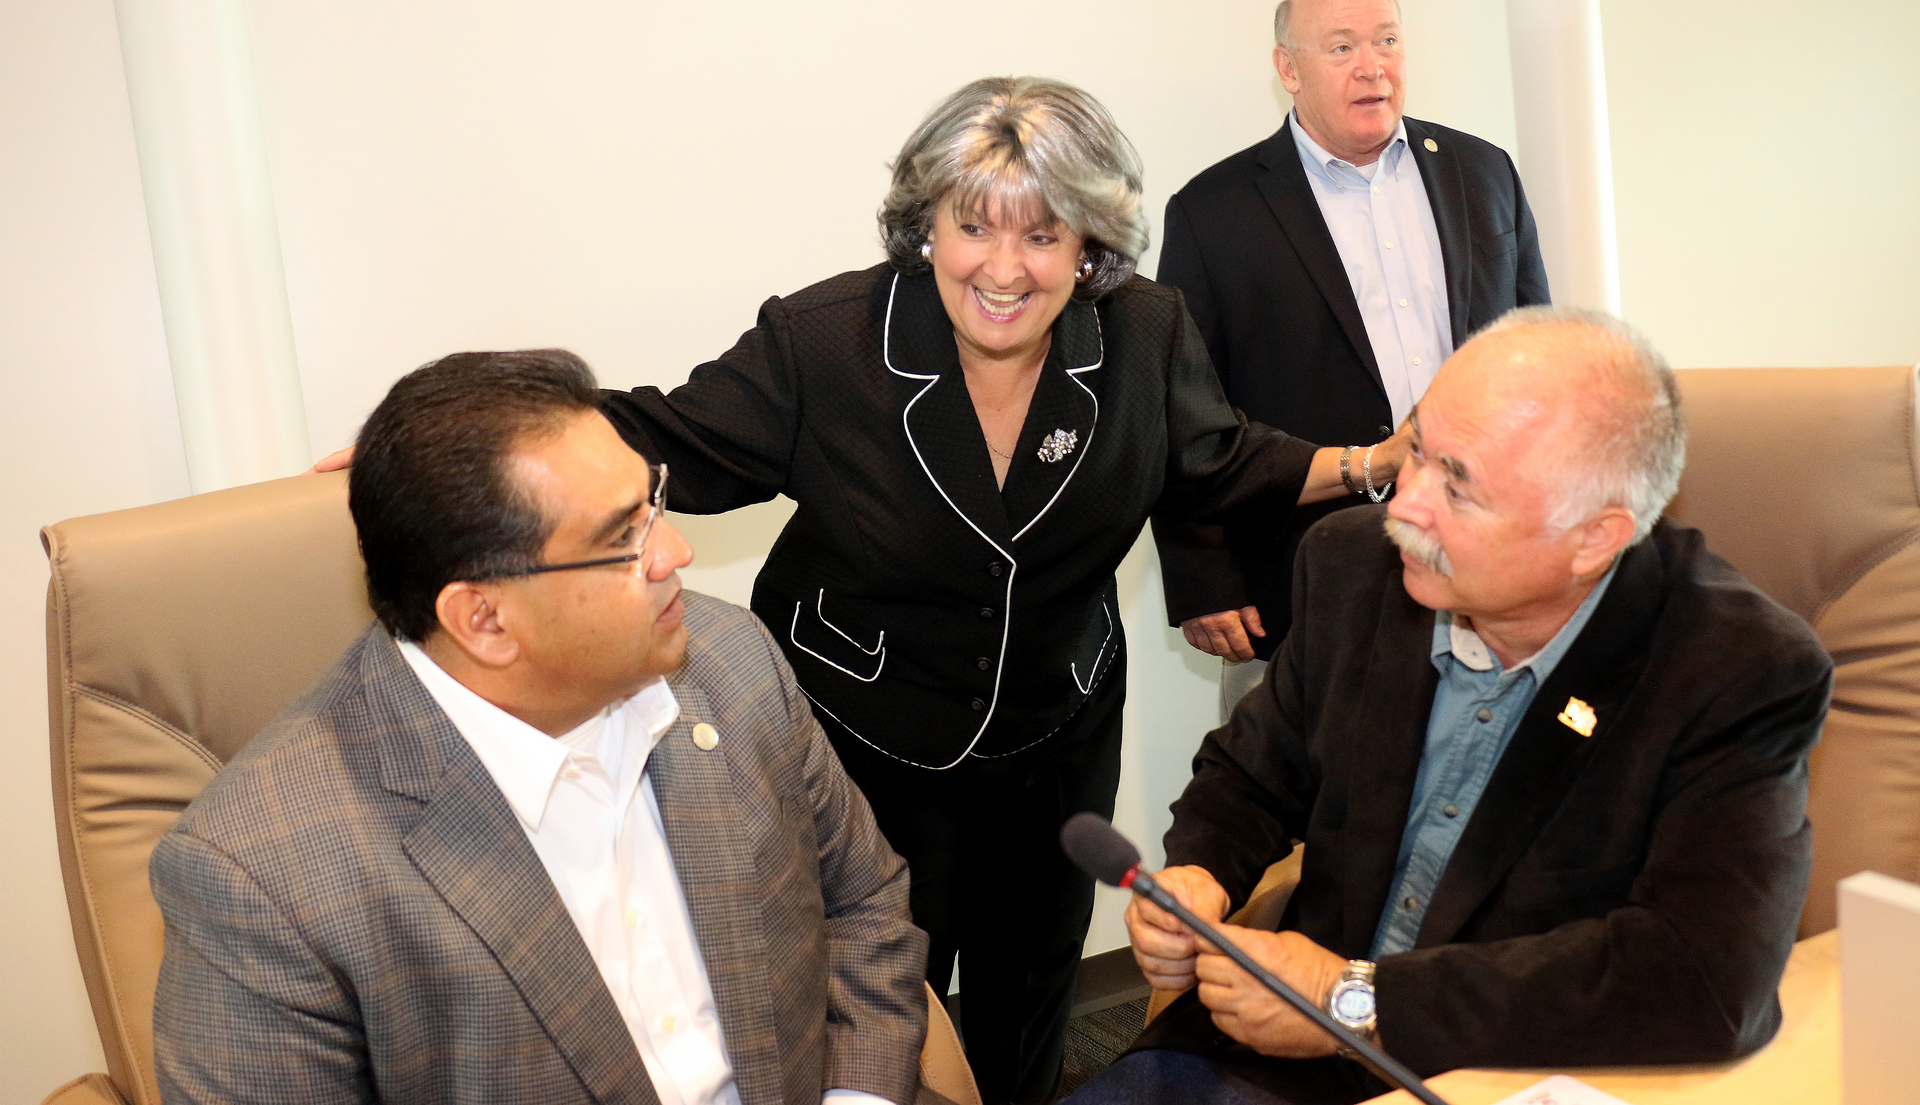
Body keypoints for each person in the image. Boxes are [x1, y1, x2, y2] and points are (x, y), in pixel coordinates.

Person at [593, 77, 1411, 1105]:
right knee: (879, 996)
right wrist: (487, 437)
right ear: (925, 225)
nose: (1003, 268)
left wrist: (1376, 463)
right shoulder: (828, 342)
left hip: (1053, 731)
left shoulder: (1142, 332)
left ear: (1090, 243)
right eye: (972, 226)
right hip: (865, 736)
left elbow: (1216, 454)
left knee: (1030, 997)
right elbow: (670, 436)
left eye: (1043, 235)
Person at [1069, 309, 1831, 1104]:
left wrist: (1353, 998)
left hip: (1500, 1072)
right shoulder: (1354, 564)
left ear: (1594, 537)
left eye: (1458, 486)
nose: (1404, 508)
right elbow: (1254, 774)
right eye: (1418, 452)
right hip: (1270, 1053)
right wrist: (1199, 873)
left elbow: (1703, 980)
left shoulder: (1736, 670)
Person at [152, 351, 929, 1105]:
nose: (677, 551)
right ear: (483, 619)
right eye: (624, 538)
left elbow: (863, 902)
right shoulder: (258, 882)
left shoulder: (732, 661)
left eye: (653, 501)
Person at [1152, 0, 1551, 717]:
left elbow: (1537, 359)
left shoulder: (1482, 171)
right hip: (1301, 578)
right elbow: (1178, 413)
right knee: (1305, 809)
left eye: (1386, 40)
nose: (1372, 66)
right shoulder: (1214, 211)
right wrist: (1202, 577)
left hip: (1486, 564)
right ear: (1288, 69)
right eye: (1340, 48)